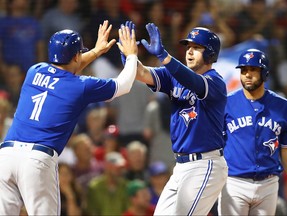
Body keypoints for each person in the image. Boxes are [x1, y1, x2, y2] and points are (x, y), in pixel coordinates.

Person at [0, 20, 138, 215]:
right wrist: (132, 56)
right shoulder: (80, 85)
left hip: (6, 156)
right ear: (76, 55)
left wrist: (96, 51)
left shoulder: (34, 71)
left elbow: (66, 67)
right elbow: (124, 85)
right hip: (37, 159)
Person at [121, 21, 228, 215]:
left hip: (205, 165)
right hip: (180, 167)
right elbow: (142, 73)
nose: (189, 51)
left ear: (210, 53)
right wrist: (129, 57)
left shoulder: (215, 82)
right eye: (188, 47)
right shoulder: (174, 77)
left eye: (196, 48)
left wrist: (163, 56)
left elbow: (193, 81)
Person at [218, 48, 287, 215]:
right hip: (234, 182)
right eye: (243, 70)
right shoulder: (226, 103)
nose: (247, 75)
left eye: (253, 70)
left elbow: (285, 148)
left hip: (268, 184)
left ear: (265, 74)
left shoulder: (283, 106)